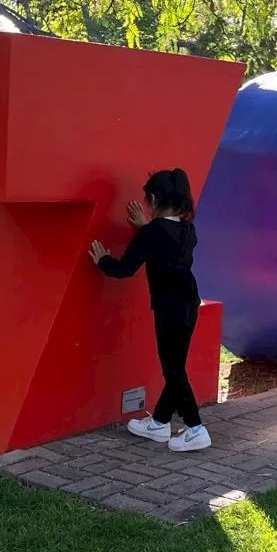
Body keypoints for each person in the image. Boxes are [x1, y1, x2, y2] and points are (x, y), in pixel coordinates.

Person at [89, 169, 210, 452]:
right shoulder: (188, 230)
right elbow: (165, 247)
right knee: (175, 365)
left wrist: (102, 260)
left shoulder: (154, 232)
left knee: (173, 368)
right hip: (190, 302)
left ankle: (196, 427)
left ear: (153, 199)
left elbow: (124, 269)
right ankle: (159, 422)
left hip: (168, 307)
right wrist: (145, 228)